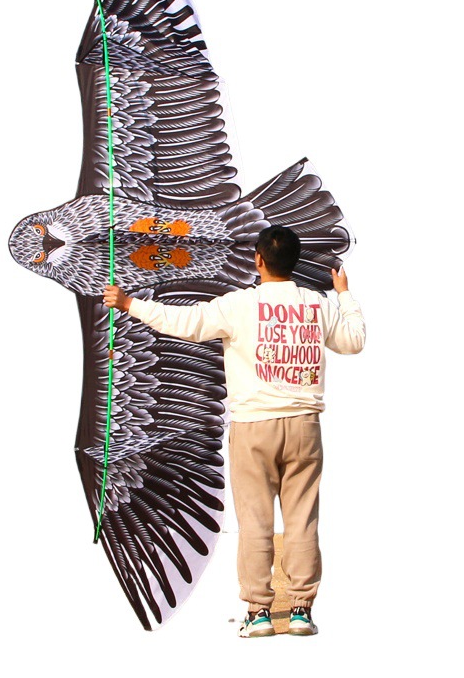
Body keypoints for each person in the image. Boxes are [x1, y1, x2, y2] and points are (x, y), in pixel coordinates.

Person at [103, 225, 365, 637]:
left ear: (258, 260)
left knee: (256, 520)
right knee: (302, 519)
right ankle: (300, 610)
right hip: (304, 426)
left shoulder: (239, 305)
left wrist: (128, 303)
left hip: (253, 426)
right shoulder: (318, 304)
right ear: (294, 262)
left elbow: (185, 322)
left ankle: (259, 613)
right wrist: (344, 294)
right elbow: (354, 341)